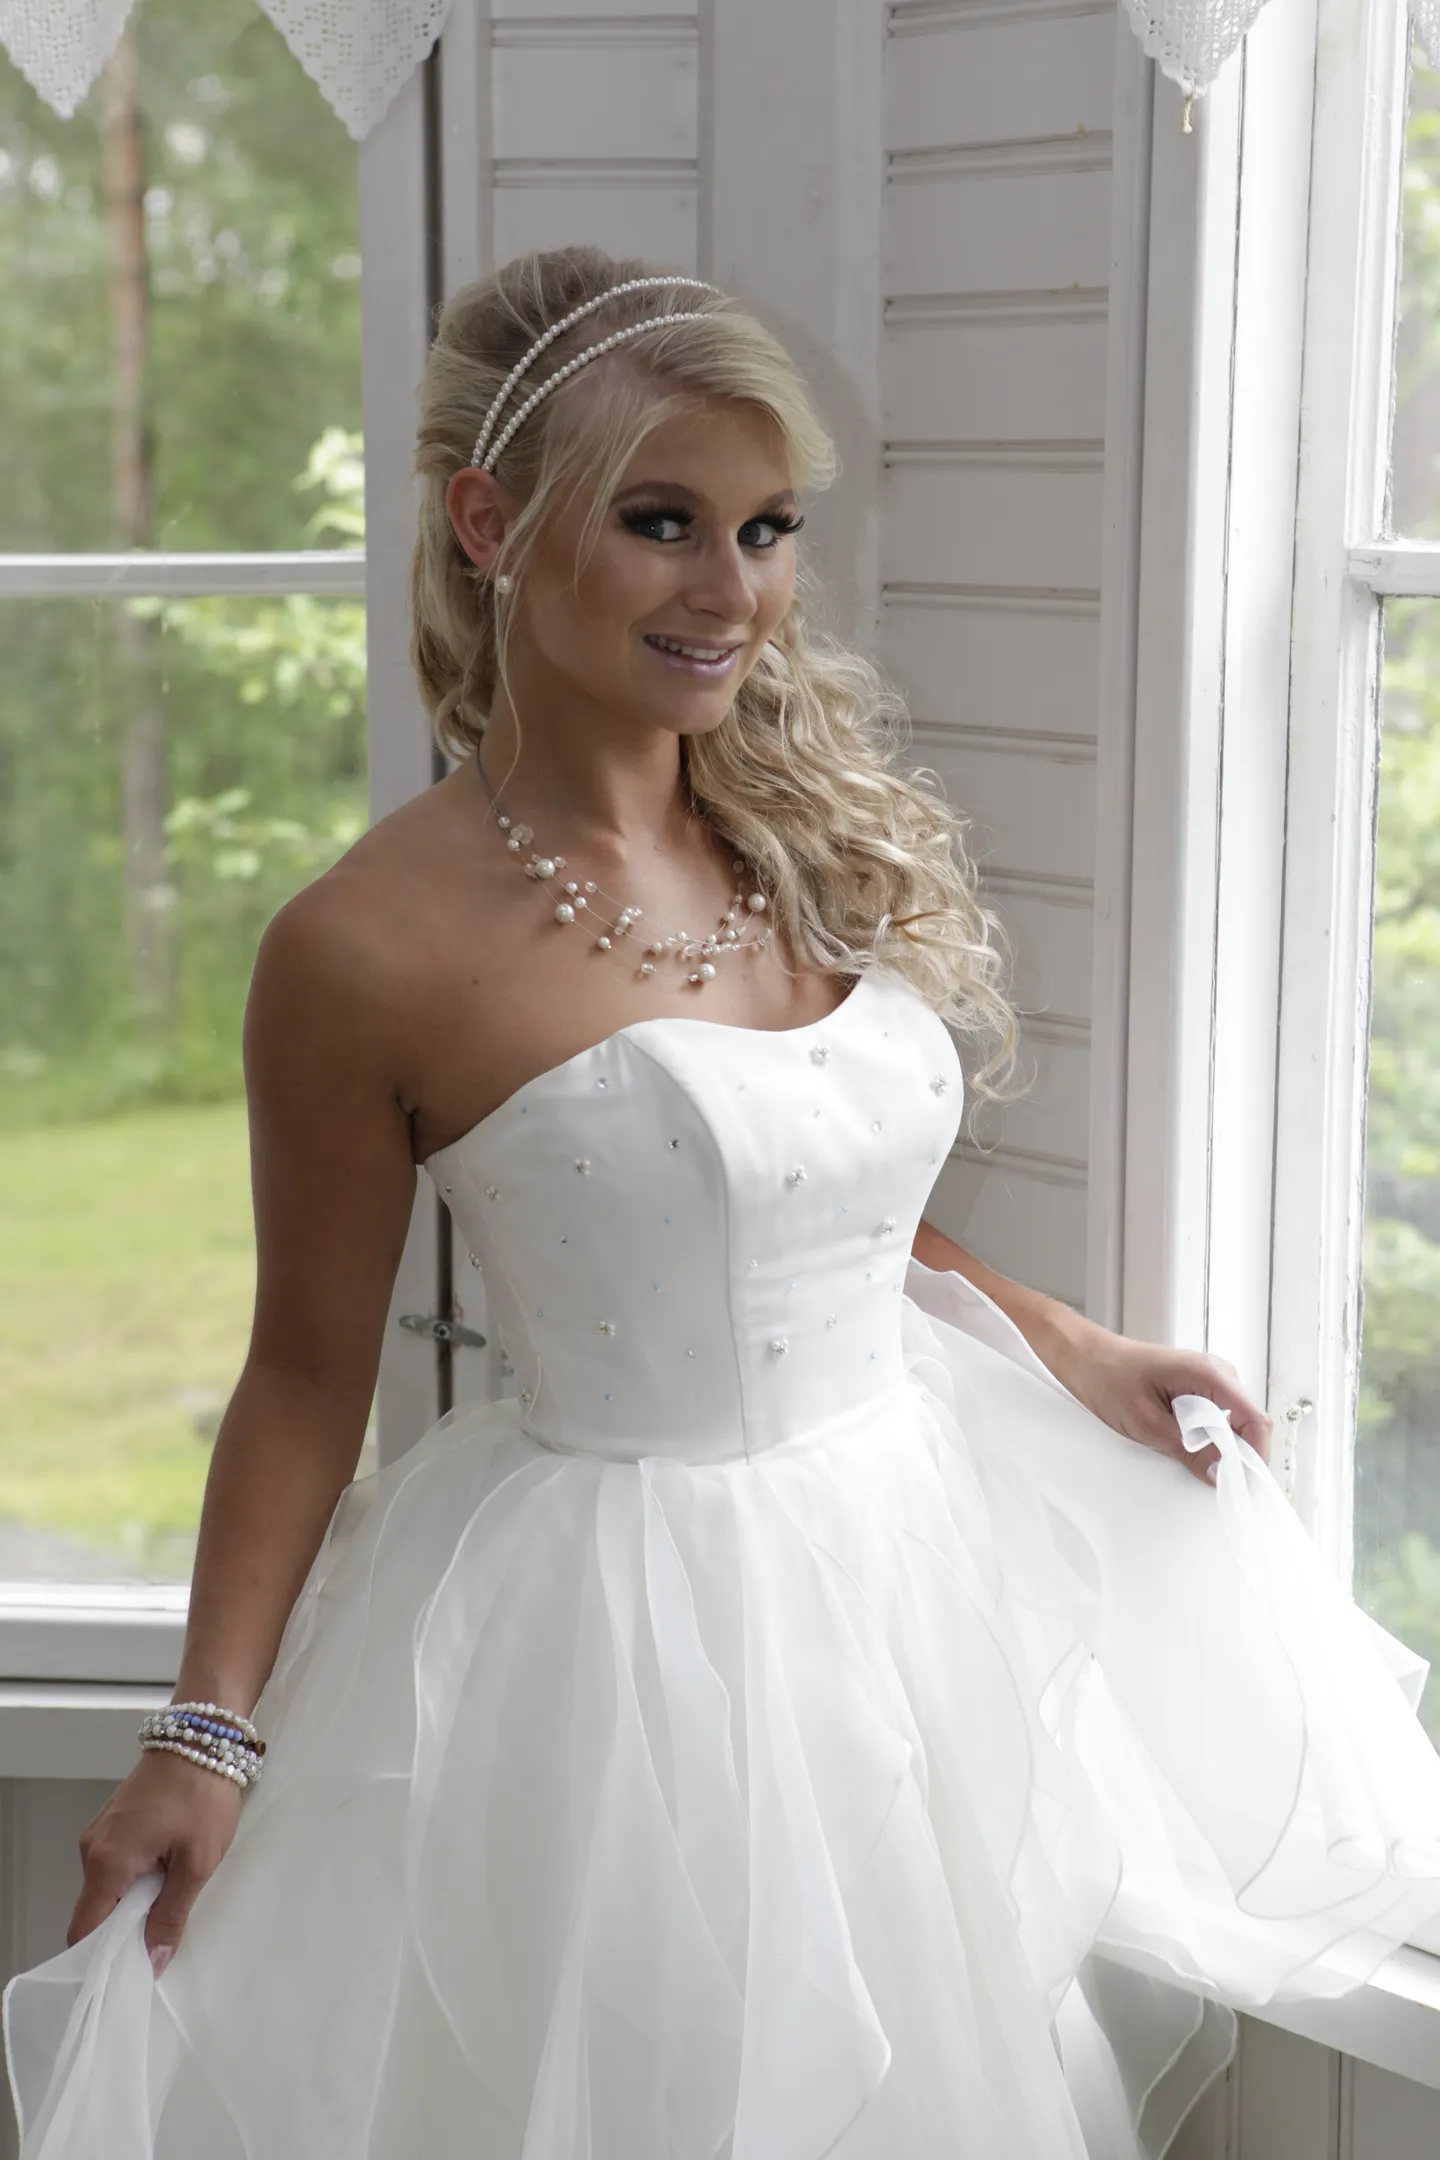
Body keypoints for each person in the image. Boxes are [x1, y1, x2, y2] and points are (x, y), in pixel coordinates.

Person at [7, 245, 1440, 2160]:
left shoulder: (791, 834)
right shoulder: (361, 949)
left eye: (763, 529)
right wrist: (203, 1734)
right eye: (664, 522)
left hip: (911, 1579)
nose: (734, 591)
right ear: (489, 520)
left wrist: (1066, 1340)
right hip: (619, 1653)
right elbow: (299, 1376)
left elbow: (788, 1202)